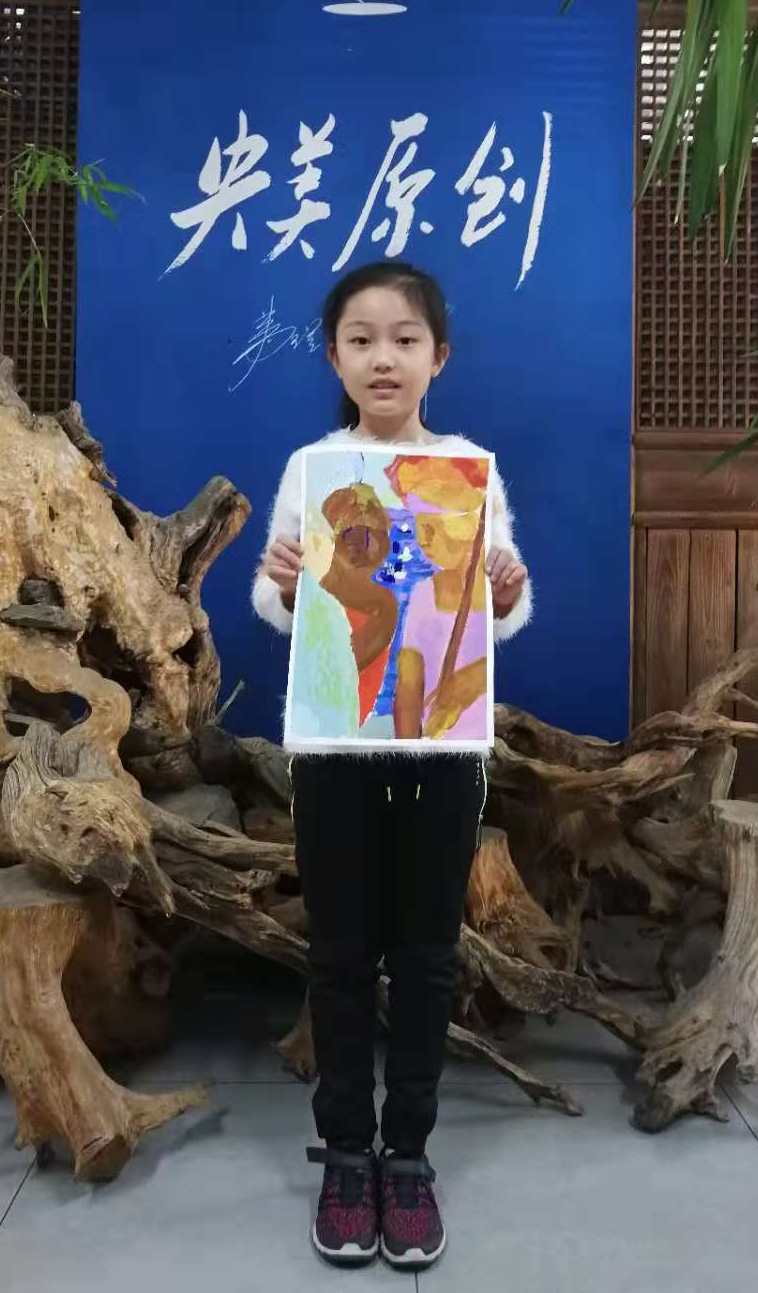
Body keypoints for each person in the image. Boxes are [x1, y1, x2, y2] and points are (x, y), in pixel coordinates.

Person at [252, 261, 532, 1269]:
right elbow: (282, 606)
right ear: (335, 356)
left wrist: (505, 592)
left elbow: (492, 610)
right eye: (362, 339)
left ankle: (406, 1154)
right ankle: (344, 1151)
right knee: (337, 953)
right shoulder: (313, 469)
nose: (384, 357)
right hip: (336, 748)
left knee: (425, 953)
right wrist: (286, 582)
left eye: (405, 339)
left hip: (442, 748)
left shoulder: (466, 471)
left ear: (437, 357)